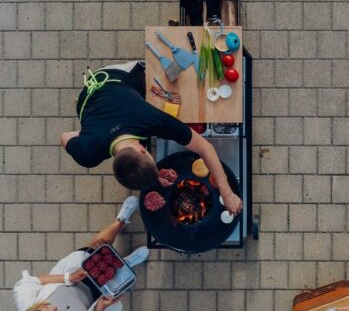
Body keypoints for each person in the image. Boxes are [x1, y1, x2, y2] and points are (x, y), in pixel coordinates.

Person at [60, 61, 242, 215]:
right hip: (89, 95)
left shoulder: (151, 118)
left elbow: (205, 147)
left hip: (115, 75)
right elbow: (65, 136)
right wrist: (90, 135)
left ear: (141, 150)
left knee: (155, 79)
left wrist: (227, 194)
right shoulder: (88, 153)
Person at [12, 197, 148, 311]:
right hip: (94, 301)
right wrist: (98, 310)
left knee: (98, 246)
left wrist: (69, 277)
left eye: (45, 309)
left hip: (73, 276)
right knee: (115, 279)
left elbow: (36, 281)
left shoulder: (25, 304)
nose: (54, 309)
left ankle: (120, 221)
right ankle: (125, 262)